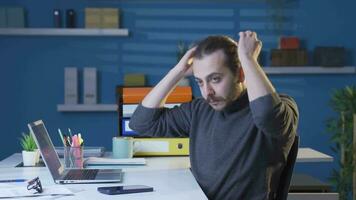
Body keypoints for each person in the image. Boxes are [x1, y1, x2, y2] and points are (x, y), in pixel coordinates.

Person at [129, 31, 299, 200]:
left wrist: (248, 59)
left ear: (240, 74)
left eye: (215, 79)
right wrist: (178, 71)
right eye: (200, 82)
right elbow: (142, 123)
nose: (207, 93)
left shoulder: (281, 106)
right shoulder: (199, 110)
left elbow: (266, 115)